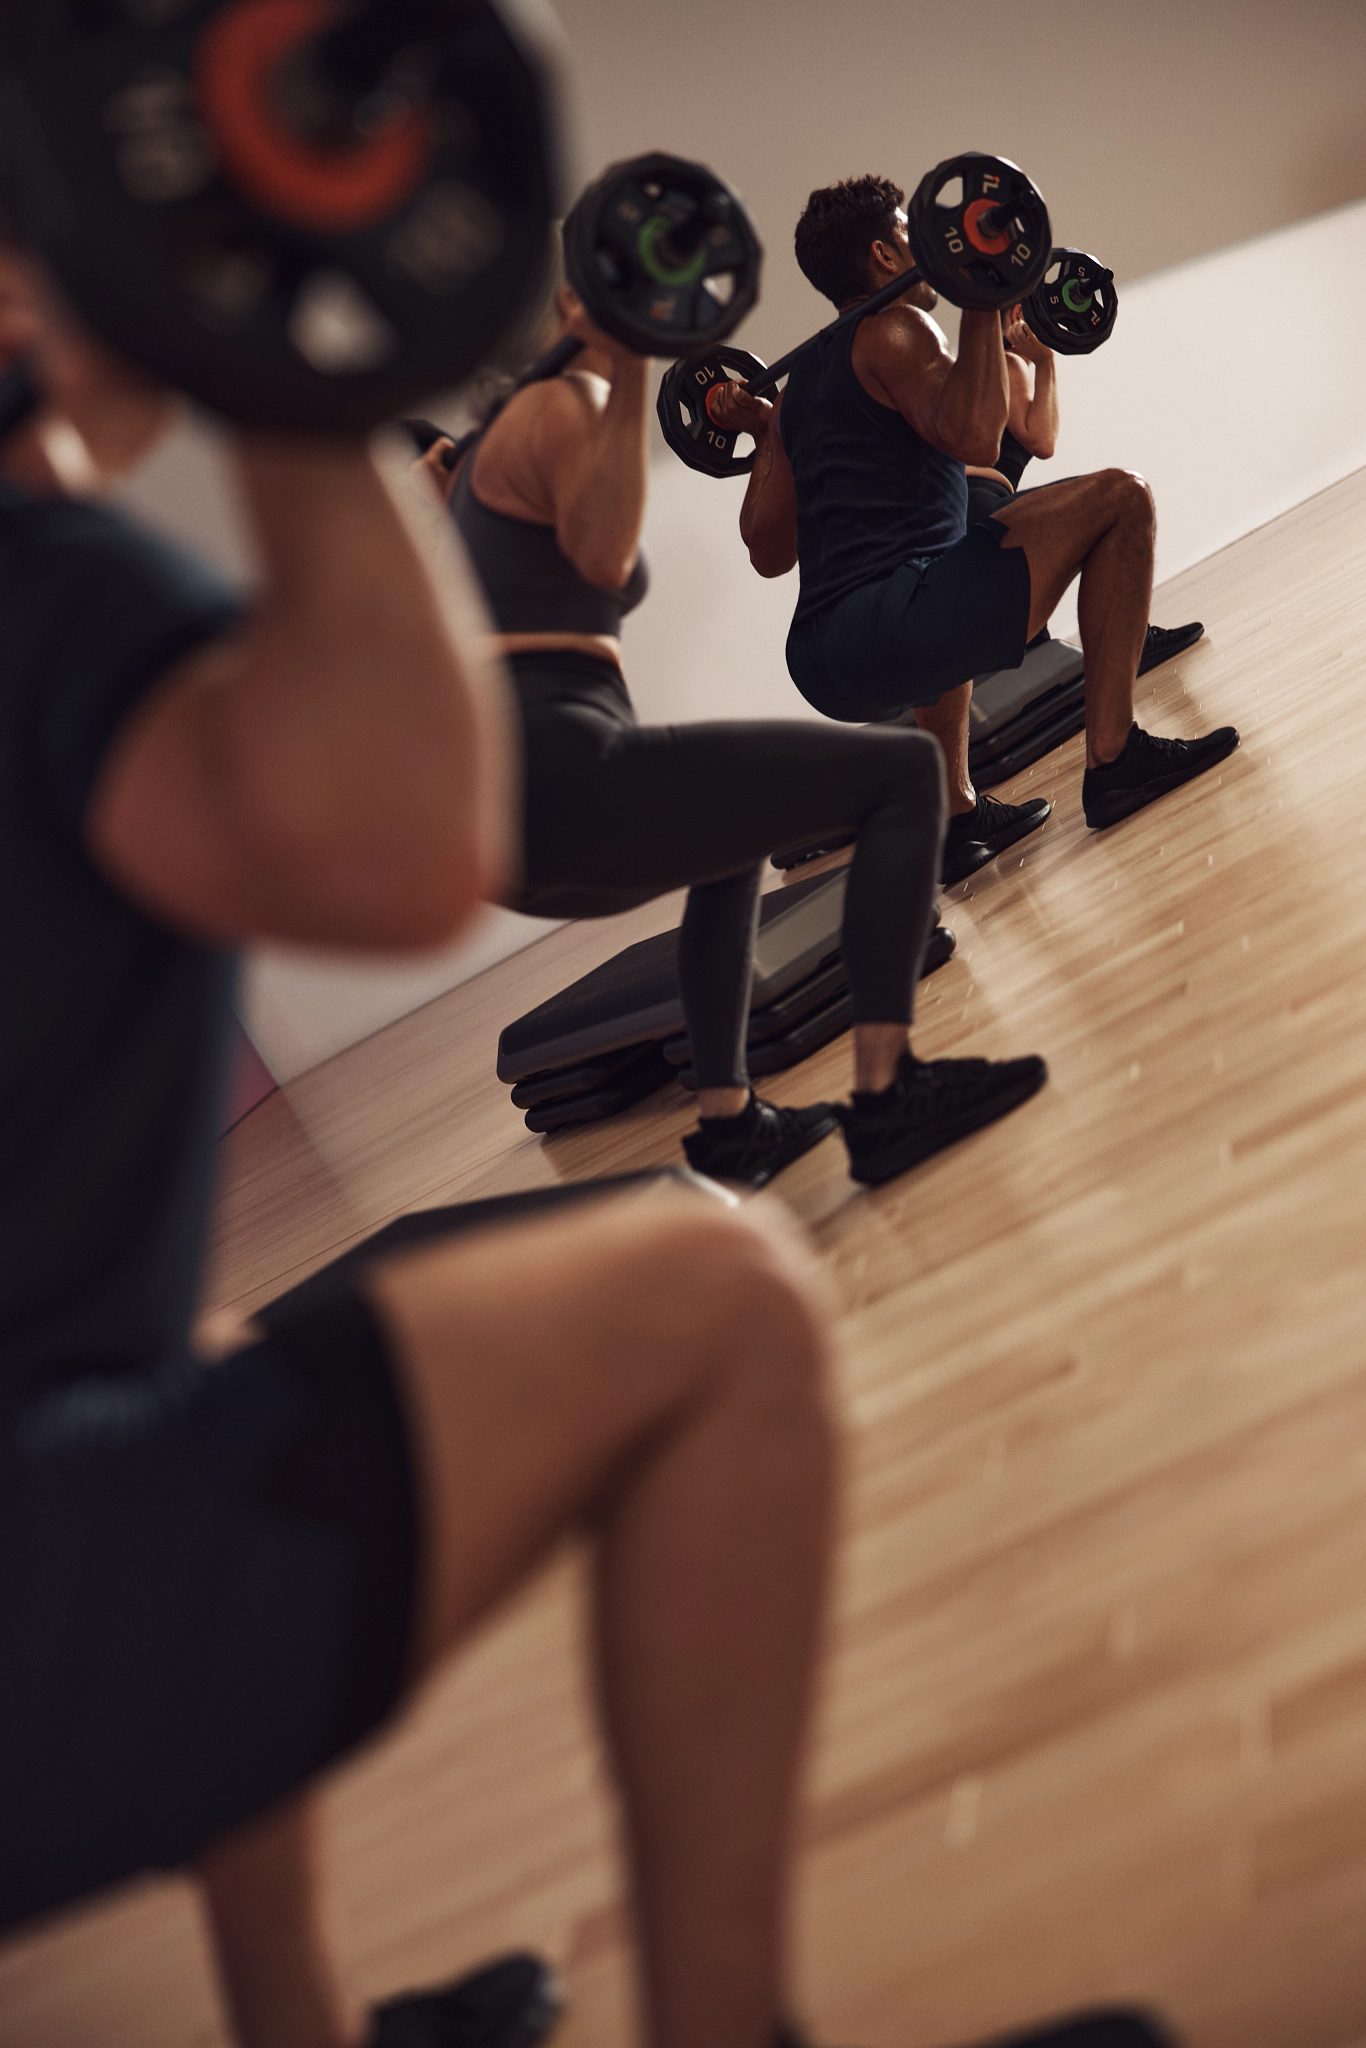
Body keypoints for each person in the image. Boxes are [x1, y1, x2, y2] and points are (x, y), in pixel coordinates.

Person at [0, 204, 855, 2048]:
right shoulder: (46, 586)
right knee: (725, 1301)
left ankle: (300, 2021)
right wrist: (300, 374)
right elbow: (403, 847)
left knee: (205, 1355)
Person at [413, 213, 1047, 1195]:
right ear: (564, 307)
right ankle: (887, 1096)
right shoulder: (557, 409)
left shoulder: (471, 465)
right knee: (904, 769)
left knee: (732, 833)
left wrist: (752, 428)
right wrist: (625, 370)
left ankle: (728, 1124)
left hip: (504, 817)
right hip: (566, 771)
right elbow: (607, 559)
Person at [717, 176, 1238, 840]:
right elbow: (974, 437)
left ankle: (957, 814)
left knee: (941, 576)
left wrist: (763, 436)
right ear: (883, 255)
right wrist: (982, 294)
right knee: (1122, 497)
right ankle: (1117, 759)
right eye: (910, 230)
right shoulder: (898, 329)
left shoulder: (794, 395)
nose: (923, 241)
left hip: (823, 664)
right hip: (898, 627)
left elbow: (768, 554)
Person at [962, 303, 1204, 679]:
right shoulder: (1009, 366)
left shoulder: (981, 373)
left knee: (1028, 631)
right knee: (1097, 525)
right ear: (1017, 315)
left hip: (972, 507)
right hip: (983, 502)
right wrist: (1045, 362)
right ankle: (1133, 644)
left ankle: (1103, 662)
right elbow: (1043, 440)